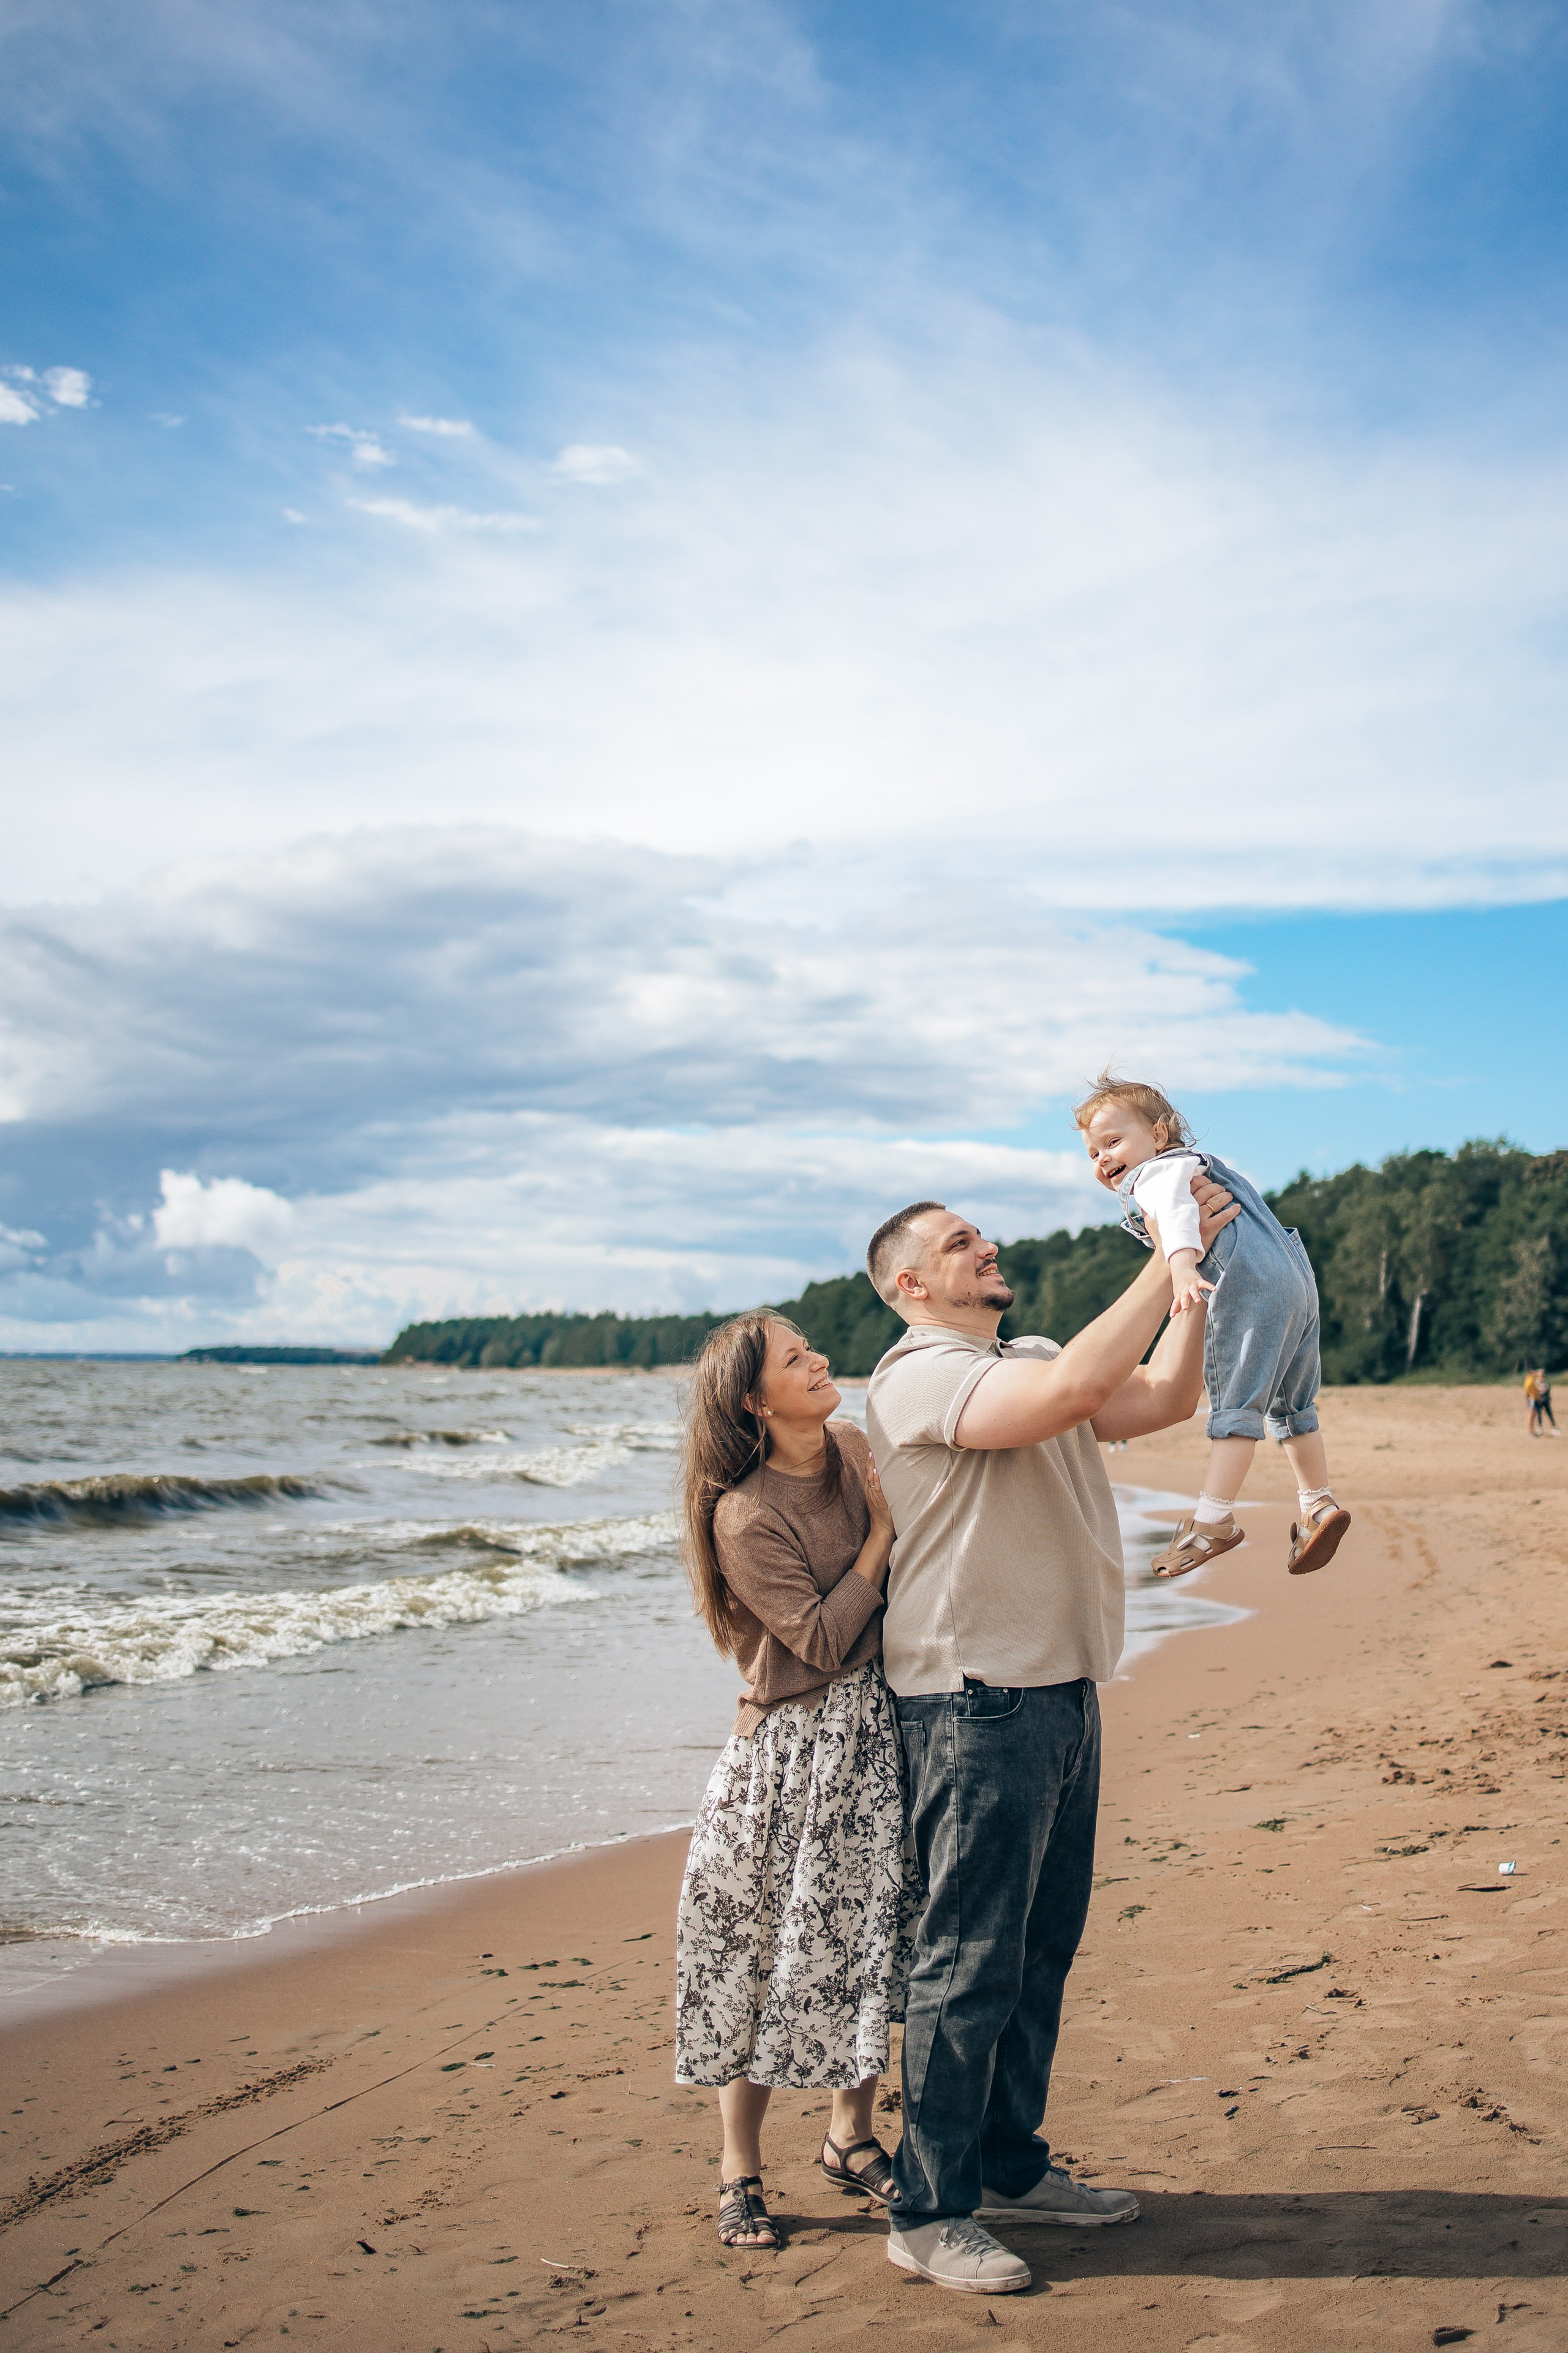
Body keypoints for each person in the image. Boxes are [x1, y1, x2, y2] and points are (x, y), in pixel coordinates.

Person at [864, 1174, 1238, 2295]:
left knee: (1037, 1955)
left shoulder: (1022, 1352)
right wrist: (1164, 1243)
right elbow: (1080, 1384)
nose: (986, 1244)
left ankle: (1011, 2170)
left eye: (981, 1231)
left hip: (1061, 1692)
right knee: (967, 1962)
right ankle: (927, 2212)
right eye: (957, 1240)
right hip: (972, 1698)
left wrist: (1197, 1284)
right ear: (909, 1285)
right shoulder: (917, 1375)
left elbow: (1164, 1397)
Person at [674, 1310, 918, 2254]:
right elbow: (817, 1639)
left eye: (812, 1346)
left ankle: (848, 2137)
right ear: (753, 1400)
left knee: (867, 1942)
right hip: (788, 1751)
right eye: (794, 1358)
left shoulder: (856, 1445)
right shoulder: (743, 1512)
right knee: (761, 1956)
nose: (819, 1359)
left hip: (873, 1731)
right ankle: (739, 2170)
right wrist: (881, 1535)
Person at [1074, 1071, 1350, 1581]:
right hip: (1297, 1279)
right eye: (1093, 1153)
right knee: (1294, 1405)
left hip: (1251, 1289)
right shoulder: (1205, 1165)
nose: (1104, 1159)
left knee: (1236, 1406)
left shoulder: (1154, 1175)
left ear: (1158, 1135)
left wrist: (1180, 1266)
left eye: (1113, 1142)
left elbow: (1179, 1215)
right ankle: (1319, 1503)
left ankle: (1213, 1521)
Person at [1526, 1367, 1558, 1435]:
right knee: (1538, 1414)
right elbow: (1530, 1390)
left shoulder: (1545, 1382)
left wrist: (1539, 1393)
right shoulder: (1535, 1381)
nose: (1540, 1376)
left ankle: (1554, 1426)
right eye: (1539, 1374)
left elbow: (1546, 1390)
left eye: (1541, 1374)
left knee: (1549, 1413)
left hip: (1545, 1400)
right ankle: (1540, 1428)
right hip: (1537, 1400)